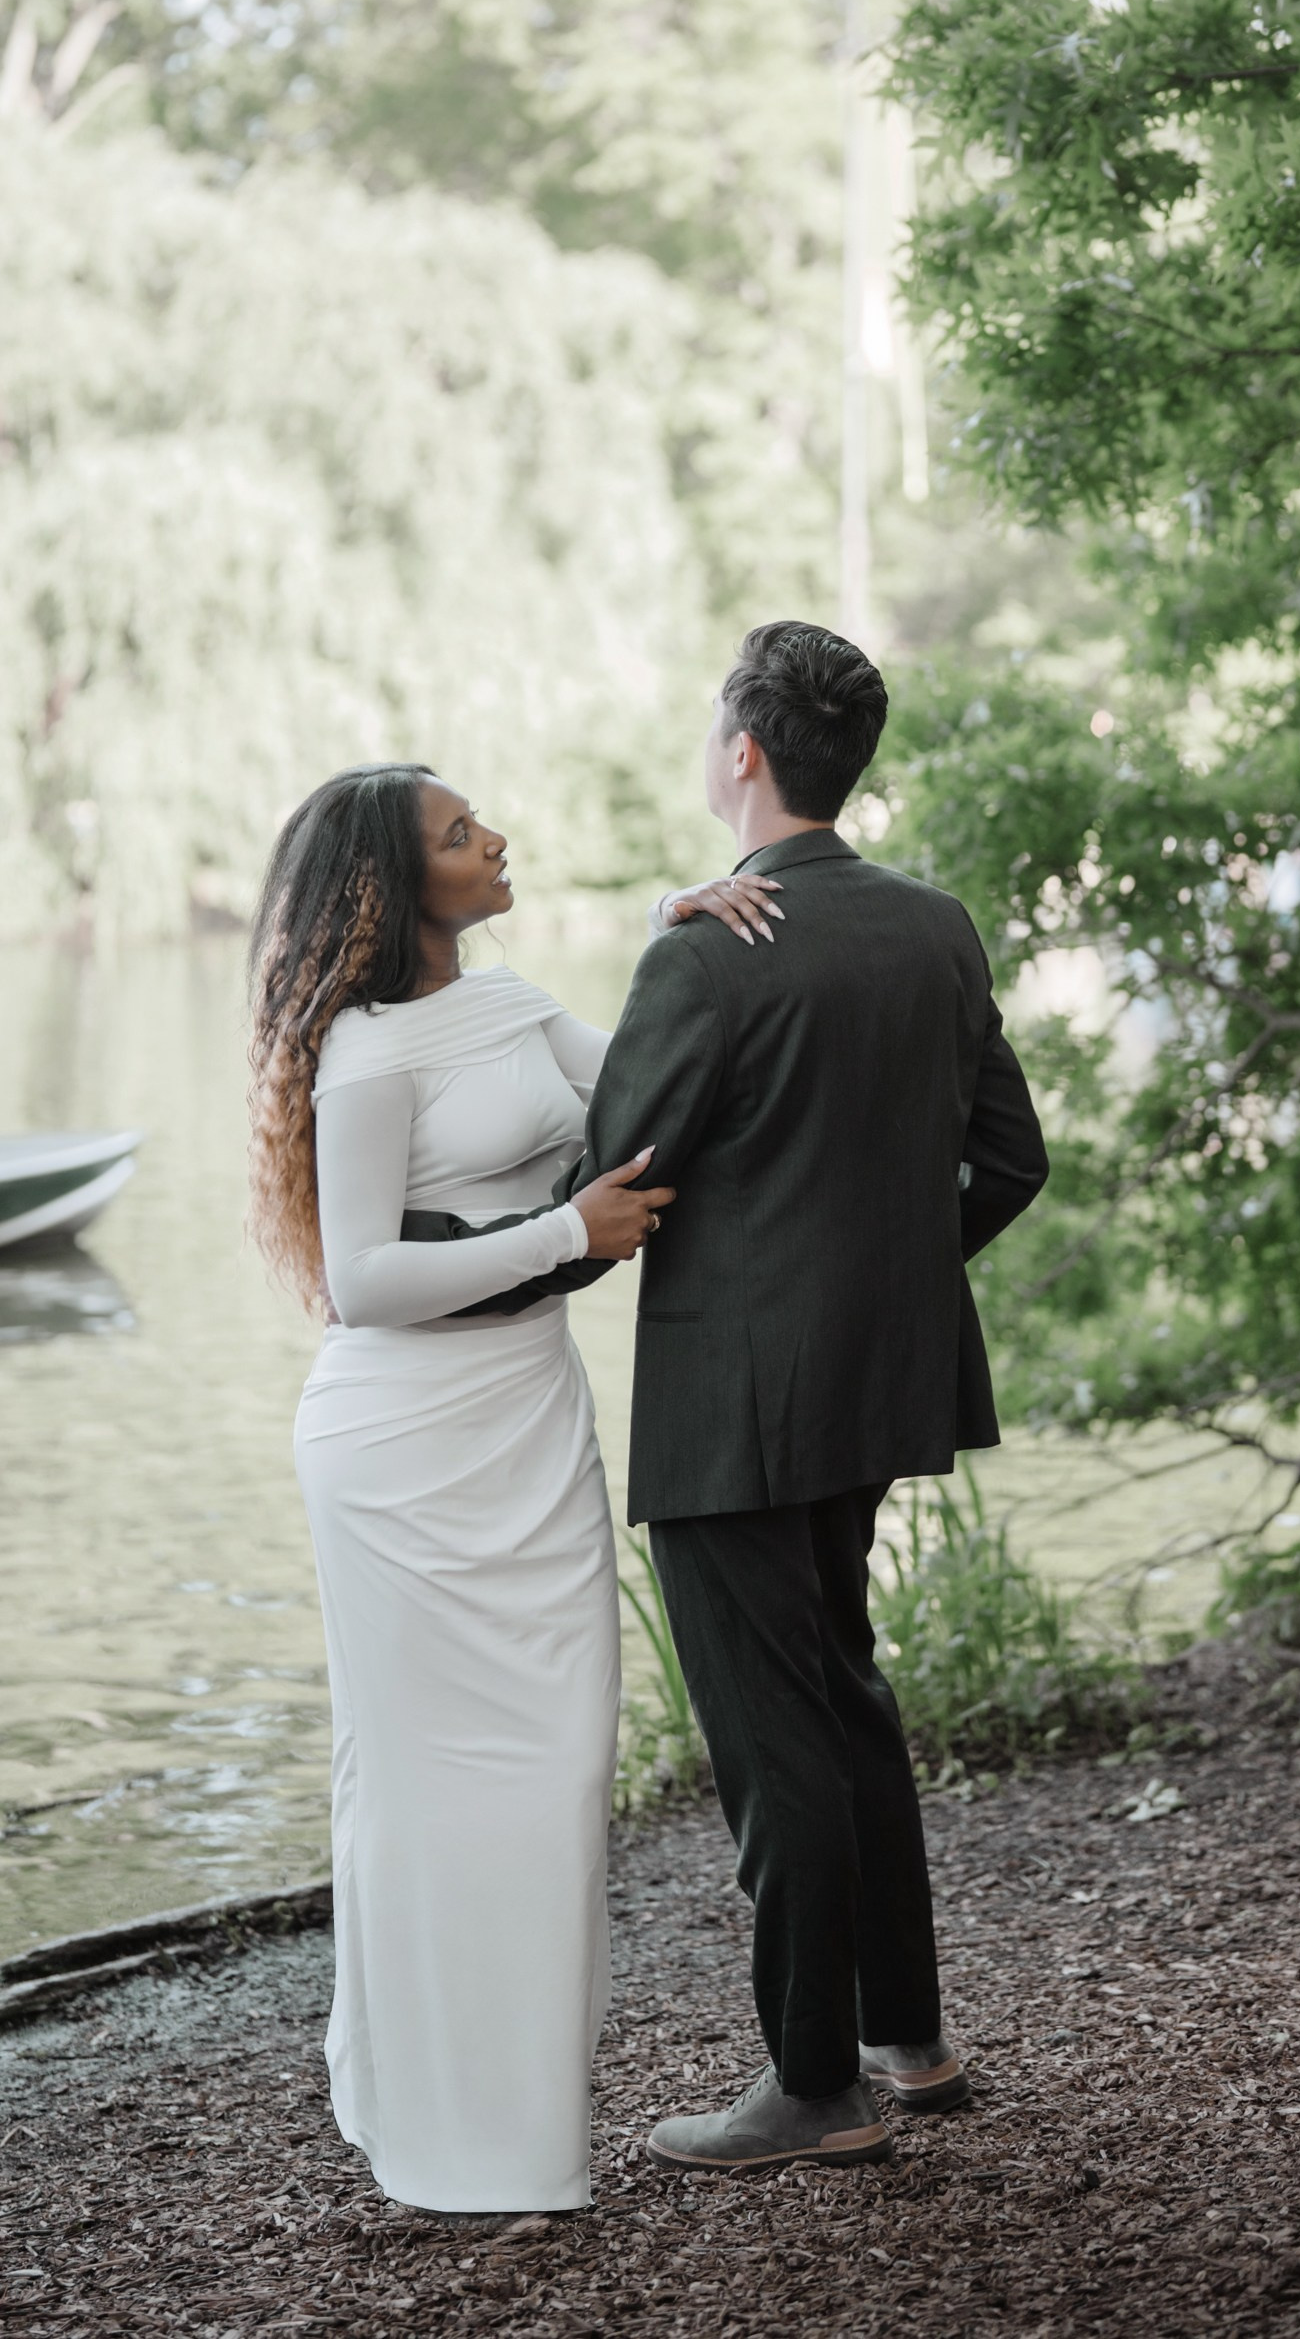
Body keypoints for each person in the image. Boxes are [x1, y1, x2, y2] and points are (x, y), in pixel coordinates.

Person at [246, 764, 777, 2213]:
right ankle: (461, 2143)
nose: (495, 841)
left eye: (483, 823)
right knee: (425, 1793)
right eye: (460, 834)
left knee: (558, 1775)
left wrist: (682, 936)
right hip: (401, 1451)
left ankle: (520, 2118)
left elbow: (651, 1095)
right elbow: (360, 1280)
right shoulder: (362, 1052)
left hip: (530, 1423)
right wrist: (560, 1233)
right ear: (392, 885)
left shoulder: (517, 1000)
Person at [557, 620, 1049, 2171]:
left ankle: (810, 2082)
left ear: (746, 750)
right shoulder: (936, 926)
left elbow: (611, 1182)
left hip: (735, 1412)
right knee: (844, 1694)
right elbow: (1013, 1161)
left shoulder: (710, 950)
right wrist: (886, 1281)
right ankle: (913, 2040)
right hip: (876, 1391)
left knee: (779, 1742)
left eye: (715, 721)